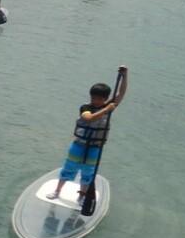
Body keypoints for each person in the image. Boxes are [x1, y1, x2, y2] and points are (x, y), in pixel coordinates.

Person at [47, 66, 128, 202]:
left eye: (98, 99)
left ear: (105, 99)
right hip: (79, 145)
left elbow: (121, 93)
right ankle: (57, 191)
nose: (94, 100)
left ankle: (81, 196)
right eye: (93, 97)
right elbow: (88, 118)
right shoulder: (85, 107)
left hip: (95, 147)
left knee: (88, 172)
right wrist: (106, 109)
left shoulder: (108, 106)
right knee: (68, 168)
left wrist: (125, 75)